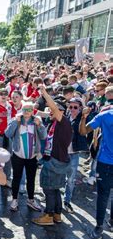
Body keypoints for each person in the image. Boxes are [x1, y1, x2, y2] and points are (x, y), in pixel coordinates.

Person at [32, 85, 72, 226]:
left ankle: (48, 215)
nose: (50, 112)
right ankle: (57, 214)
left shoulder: (63, 122)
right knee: (55, 189)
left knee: (49, 189)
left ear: (60, 111)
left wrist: (44, 93)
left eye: (52, 110)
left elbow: (54, 108)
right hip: (54, 159)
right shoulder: (54, 122)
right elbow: (42, 114)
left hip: (55, 162)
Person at [80, 86, 113, 239]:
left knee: (103, 195)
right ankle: (111, 221)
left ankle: (99, 227)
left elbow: (83, 131)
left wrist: (83, 117)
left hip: (105, 162)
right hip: (105, 162)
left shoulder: (104, 115)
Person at [5, 102, 46, 212]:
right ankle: (14, 200)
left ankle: (31, 199)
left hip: (32, 156)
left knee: (31, 179)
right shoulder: (16, 120)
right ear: (21, 110)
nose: (27, 112)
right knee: (16, 178)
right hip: (18, 155)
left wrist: (39, 125)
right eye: (25, 109)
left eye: (29, 110)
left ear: (33, 111)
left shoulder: (36, 121)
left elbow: (43, 136)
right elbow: (7, 134)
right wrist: (15, 122)